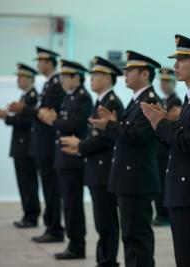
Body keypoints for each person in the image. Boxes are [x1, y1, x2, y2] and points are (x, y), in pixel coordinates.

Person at [141, 34, 190, 267]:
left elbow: (188, 142)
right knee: (185, 255)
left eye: (181, 60)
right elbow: (181, 137)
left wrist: (160, 124)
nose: (175, 65)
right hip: (184, 188)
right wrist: (165, 124)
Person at [90, 51, 161, 267]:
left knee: (137, 237)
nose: (126, 74)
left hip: (136, 179)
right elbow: (127, 131)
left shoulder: (149, 101)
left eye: (130, 71)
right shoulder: (136, 100)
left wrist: (110, 125)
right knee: (130, 236)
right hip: (128, 179)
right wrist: (114, 125)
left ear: (145, 74)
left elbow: (137, 135)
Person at [61, 56, 124, 267]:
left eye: (96, 75)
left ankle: (108, 260)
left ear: (108, 78)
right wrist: (81, 145)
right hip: (96, 167)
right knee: (101, 220)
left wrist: (80, 146)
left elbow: (106, 138)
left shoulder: (112, 102)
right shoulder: (101, 101)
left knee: (106, 220)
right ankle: (103, 258)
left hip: (104, 168)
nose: (91, 78)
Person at [8, 47, 65, 243]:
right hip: (42, 144)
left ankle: (55, 228)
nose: (38, 65)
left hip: (48, 144)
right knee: (48, 187)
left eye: (41, 61)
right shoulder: (49, 84)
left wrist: (25, 109)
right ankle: (51, 225)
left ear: (49, 63)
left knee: (51, 188)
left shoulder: (55, 85)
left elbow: (46, 113)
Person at [38, 59, 92, 259]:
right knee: (68, 204)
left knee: (72, 204)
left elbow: (74, 125)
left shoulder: (82, 98)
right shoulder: (70, 97)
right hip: (63, 157)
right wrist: (57, 121)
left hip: (73, 159)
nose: (61, 80)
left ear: (76, 77)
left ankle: (77, 245)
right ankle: (73, 243)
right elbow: (64, 122)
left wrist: (53, 120)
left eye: (65, 76)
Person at [0, 63, 40, 228]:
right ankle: (28, 213)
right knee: (24, 183)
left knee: (28, 183)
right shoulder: (25, 96)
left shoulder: (32, 97)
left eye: (21, 76)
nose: (18, 80)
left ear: (30, 78)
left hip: (26, 147)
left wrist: (6, 117)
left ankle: (31, 215)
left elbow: (27, 121)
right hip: (21, 146)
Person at [153, 67, 182, 226]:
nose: (164, 85)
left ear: (173, 83)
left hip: (166, 149)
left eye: (167, 81)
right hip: (159, 147)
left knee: (163, 183)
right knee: (159, 182)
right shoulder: (163, 101)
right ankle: (160, 213)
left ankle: (163, 214)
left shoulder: (175, 101)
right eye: (162, 81)